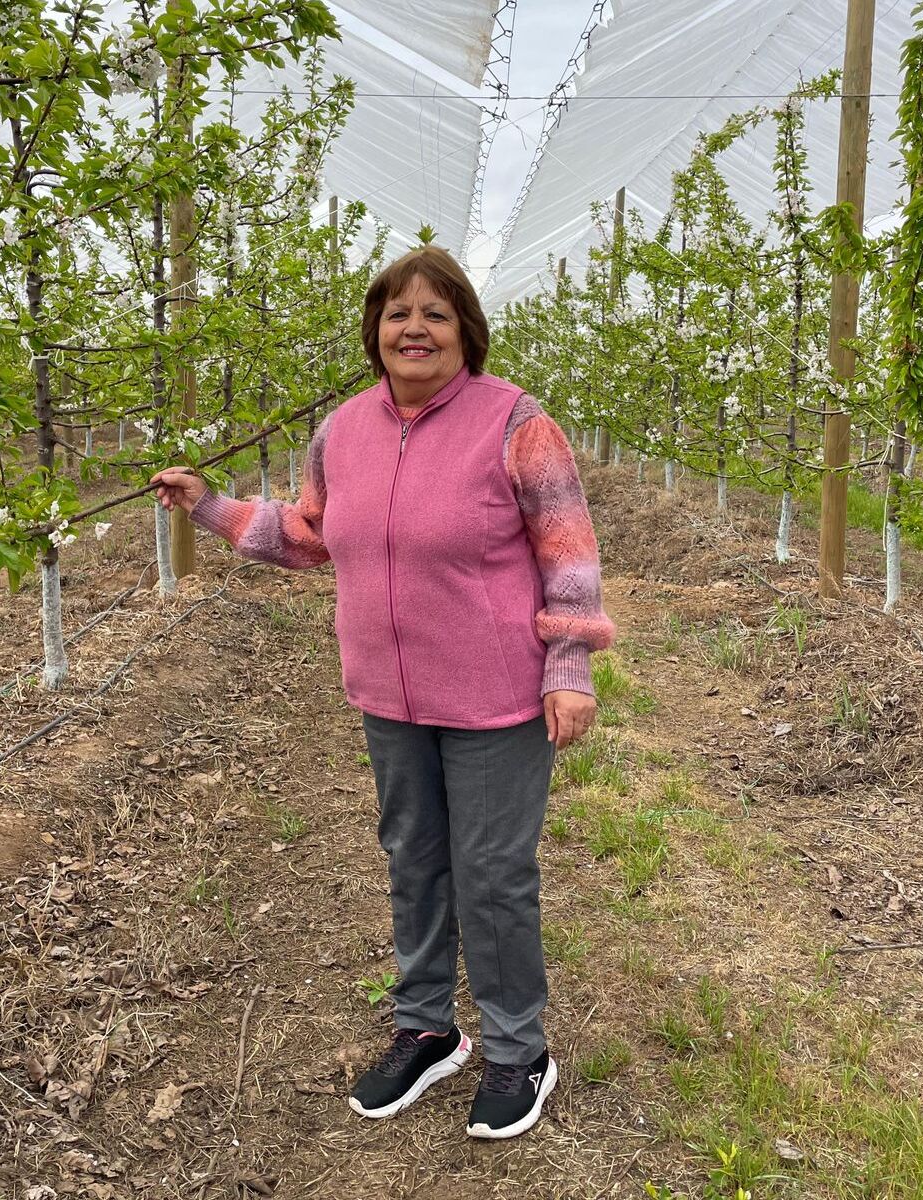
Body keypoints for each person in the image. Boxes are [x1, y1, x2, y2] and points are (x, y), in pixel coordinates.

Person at [152, 246, 615, 1141]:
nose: (414, 329)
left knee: (493, 874)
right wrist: (210, 506)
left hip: (494, 695)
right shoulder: (343, 431)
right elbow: (309, 534)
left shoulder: (516, 422)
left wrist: (569, 666)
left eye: (435, 313)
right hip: (389, 695)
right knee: (413, 858)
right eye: (398, 313)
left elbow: (568, 553)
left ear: (466, 331)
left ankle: (518, 1049)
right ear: (375, 332)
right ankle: (427, 1027)